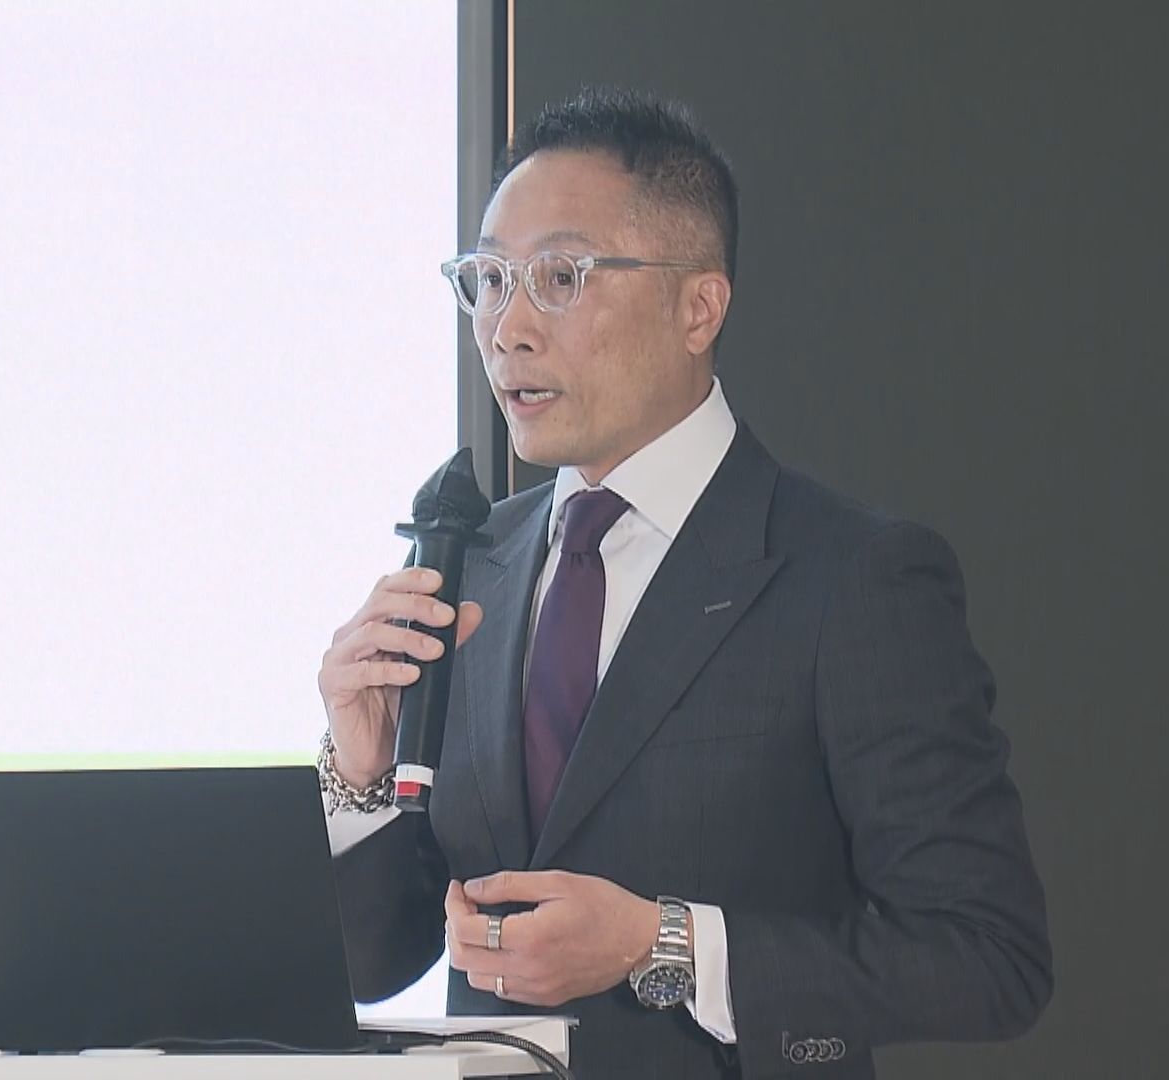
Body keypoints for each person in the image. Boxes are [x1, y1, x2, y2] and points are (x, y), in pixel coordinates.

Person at [316, 87, 1051, 1079]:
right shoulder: (467, 565)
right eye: (488, 280)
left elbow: (988, 959)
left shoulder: (852, 578)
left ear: (699, 307)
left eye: (561, 277)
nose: (507, 327)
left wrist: (661, 944)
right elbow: (377, 962)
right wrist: (360, 776)